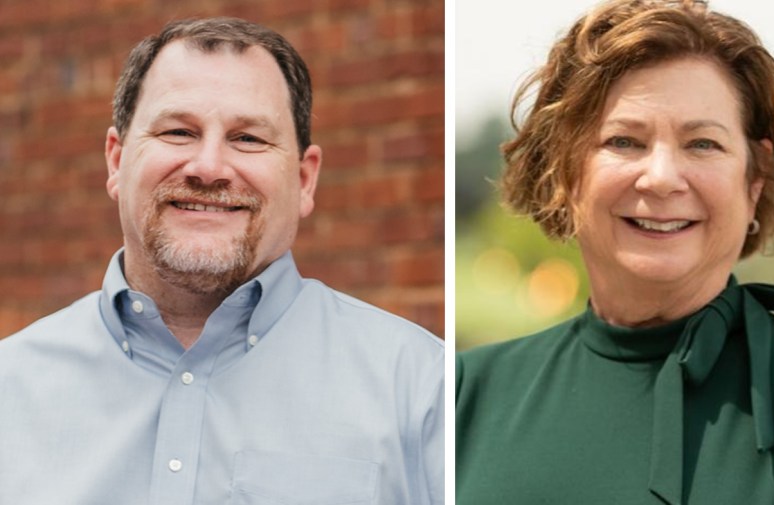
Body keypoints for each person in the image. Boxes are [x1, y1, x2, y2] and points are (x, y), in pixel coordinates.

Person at [456, 1, 774, 503]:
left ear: (753, 178)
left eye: (703, 144)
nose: (661, 177)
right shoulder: (469, 388)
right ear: (566, 175)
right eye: (624, 141)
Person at [0, 18, 444, 505]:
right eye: (177, 131)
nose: (209, 168)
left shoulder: (423, 389)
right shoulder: (10, 387)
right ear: (116, 162)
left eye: (249, 138)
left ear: (305, 180)